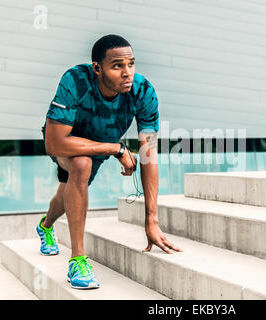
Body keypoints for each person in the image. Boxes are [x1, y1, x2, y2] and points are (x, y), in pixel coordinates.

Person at [37, 34, 182, 290]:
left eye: (131, 64)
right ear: (97, 68)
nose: (127, 72)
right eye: (117, 66)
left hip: (102, 145)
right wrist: (117, 149)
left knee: (69, 189)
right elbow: (54, 142)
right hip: (70, 142)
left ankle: (45, 226)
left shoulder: (143, 91)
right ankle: (78, 260)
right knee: (81, 165)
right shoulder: (75, 80)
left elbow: (149, 155)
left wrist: (151, 219)